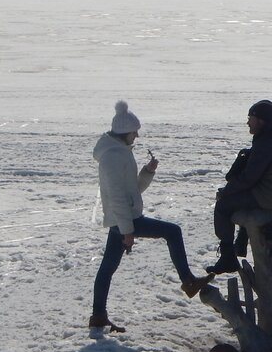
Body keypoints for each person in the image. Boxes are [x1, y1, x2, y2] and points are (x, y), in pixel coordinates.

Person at [90, 101, 213, 331]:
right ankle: (187, 281)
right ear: (125, 132)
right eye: (134, 132)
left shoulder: (118, 152)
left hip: (122, 219)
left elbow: (131, 191)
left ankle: (98, 316)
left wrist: (148, 172)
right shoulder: (113, 157)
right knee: (173, 232)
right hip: (125, 220)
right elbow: (117, 197)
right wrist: (127, 231)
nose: (137, 136)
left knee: (107, 269)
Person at [209, 99, 272, 274]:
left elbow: (248, 179)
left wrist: (225, 192)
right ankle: (240, 241)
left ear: (260, 121)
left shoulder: (268, 142)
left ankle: (227, 257)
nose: (247, 122)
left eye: (250, 118)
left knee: (223, 206)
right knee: (240, 197)